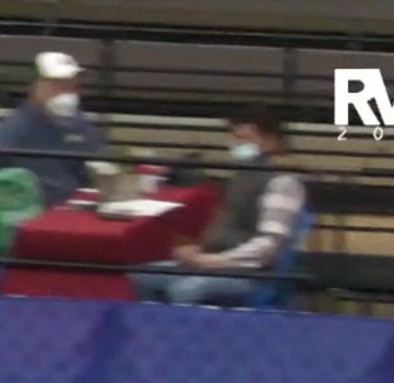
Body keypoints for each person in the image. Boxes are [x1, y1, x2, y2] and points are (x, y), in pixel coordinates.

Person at [130, 107, 308, 307]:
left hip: (249, 273)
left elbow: (269, 245)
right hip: (216, 260)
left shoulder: (282, 180)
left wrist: (217, 260)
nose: (231, 143)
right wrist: (197, 252)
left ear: (252, 131)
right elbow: (228, 225)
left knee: (187, 290)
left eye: (235, 135)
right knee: (144, 275)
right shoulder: (246, 172)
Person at [0, 51, 106, 208]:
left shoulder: (79, 122)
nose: (67, 92)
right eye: (58, 85)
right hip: (29, 211)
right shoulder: (17, 125)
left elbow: (97, 162)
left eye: (72, 86)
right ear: (35, 87)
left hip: (71, 209)